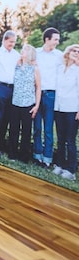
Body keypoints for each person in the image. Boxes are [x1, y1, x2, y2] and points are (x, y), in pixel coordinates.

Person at [33, 27, 63, 168]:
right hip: (36, 94)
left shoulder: (60, 56)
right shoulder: (36, 53)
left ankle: (47, 158)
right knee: (37, 127)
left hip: (51, 95)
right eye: (56, 39)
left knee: (49, 129)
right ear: (47, 39)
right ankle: (37, 155)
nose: (58, 41)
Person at [0, 30, 21, 155]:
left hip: (12, 89)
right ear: (4, 40)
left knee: (6, 118)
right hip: (0, 88)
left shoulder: (16, 55)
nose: (12, 44)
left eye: (14, 42)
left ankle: (0, 145)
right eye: (10, 42)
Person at [7, 44, 41, 162]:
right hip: (15, 102)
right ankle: (12, 154)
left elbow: (38, 88)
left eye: (25, 50)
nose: (22, 51)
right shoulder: (16, 65)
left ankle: (24, 157)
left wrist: (36, 106)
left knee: (26, 132)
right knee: (13, 130)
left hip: (28, 104)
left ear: (30, 53)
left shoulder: (34, 68)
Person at [52, 44, 79, 180]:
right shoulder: (60, 68)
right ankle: (59, 165)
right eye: (74, 50)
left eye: (78, 52)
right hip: (59, 108)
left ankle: (71, 170)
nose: (76, 52)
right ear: (68, 52)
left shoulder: (77, 70)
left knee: (70, 140)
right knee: (61, 139)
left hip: (72, 109)